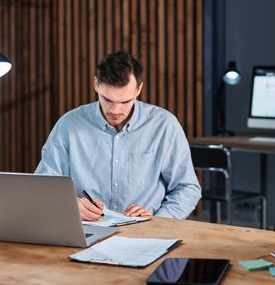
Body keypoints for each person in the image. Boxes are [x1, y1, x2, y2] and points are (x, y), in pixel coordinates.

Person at [35, 51, 201, 220]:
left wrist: (159, 220)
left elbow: (187, 188)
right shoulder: (68, 125)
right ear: (96, 84)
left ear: (139, 89)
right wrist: (69, 204)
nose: (115, 110)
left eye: (125, 102)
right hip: (86, 230)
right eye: (107, 99)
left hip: (146, 233)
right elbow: (43, 186)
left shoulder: (164, 125)